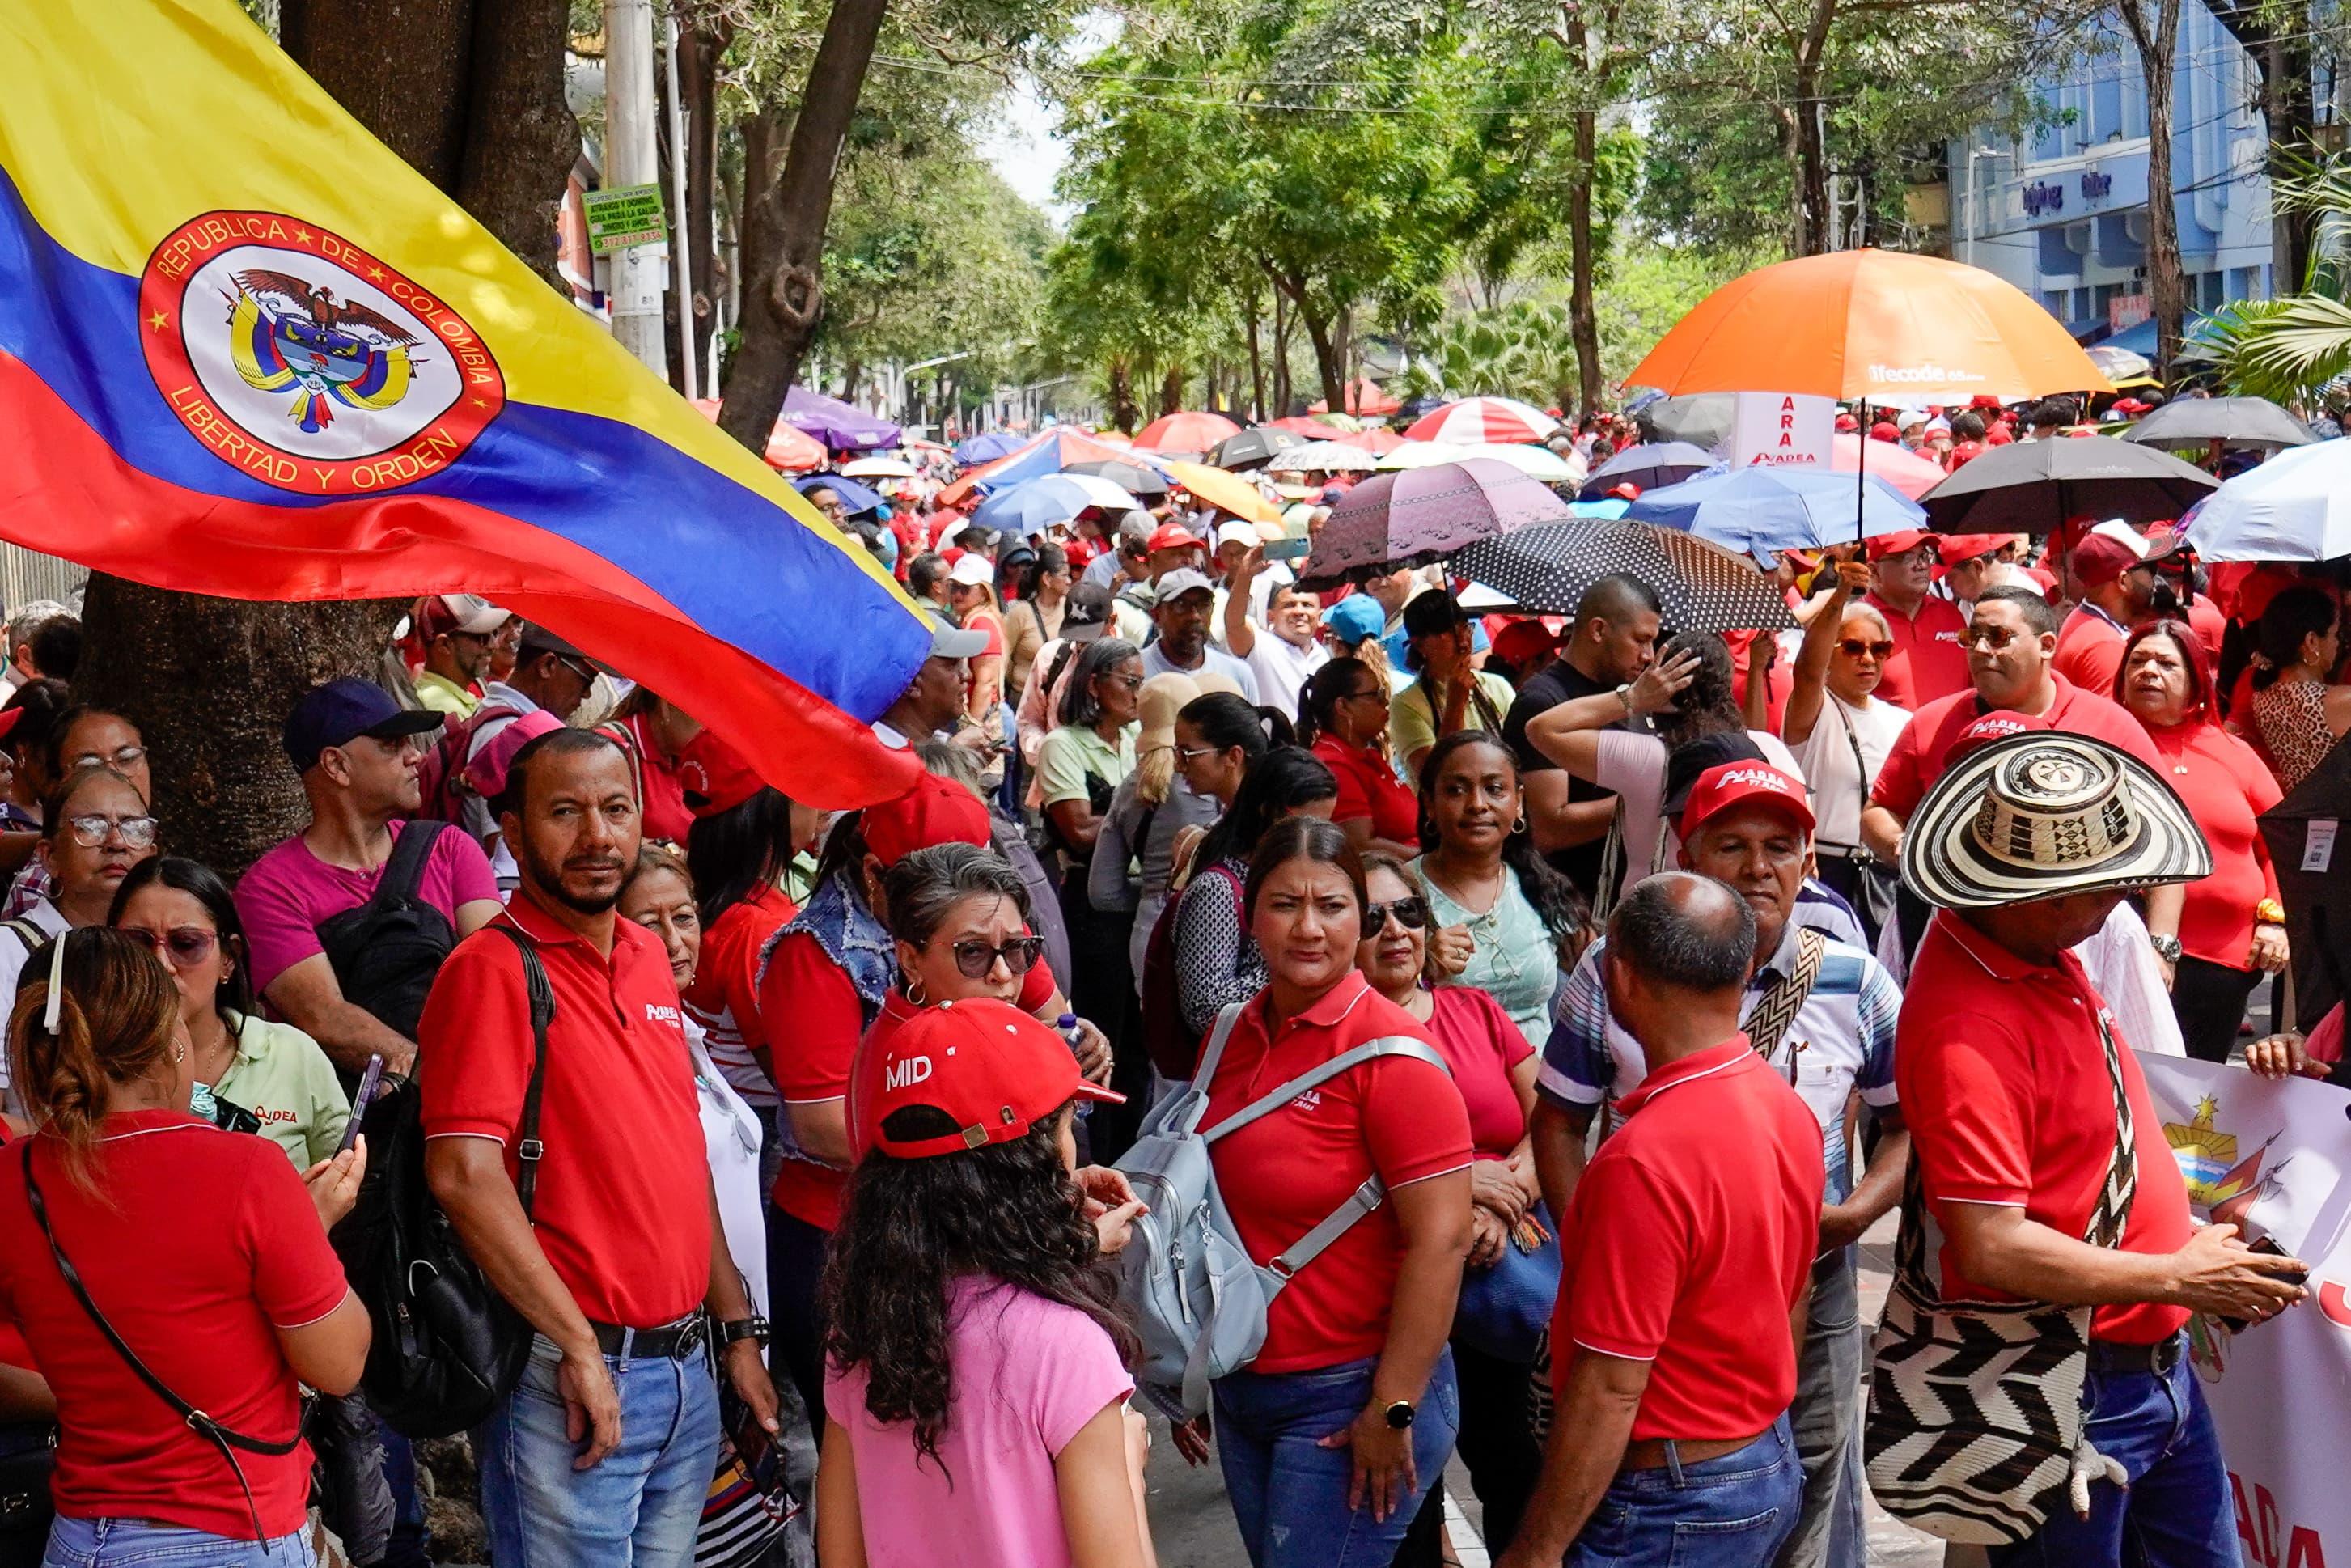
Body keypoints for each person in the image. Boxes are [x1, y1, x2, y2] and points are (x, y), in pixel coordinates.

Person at [1887, 729, 2307, 1567]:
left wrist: (2189, 1234)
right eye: (2087, 889)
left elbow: (2114, 1124)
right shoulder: (1966, 1023)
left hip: (2139, 1367)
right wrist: (2175, 1274)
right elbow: (1989, 1241)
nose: (2112, 900)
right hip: (2071, 1386)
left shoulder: (2035, 950)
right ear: (2019, 894)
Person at [420, 728, 777, 1567]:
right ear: (511, 834)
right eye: (564, 812)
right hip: (570, 1375)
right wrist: (577, 1348)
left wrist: (736, 1333)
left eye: (615, 809)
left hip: (685, 1365)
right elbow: (463, 1174)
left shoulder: (649, 954)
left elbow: (682, 1158)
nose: (596, 836)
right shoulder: (489, 969)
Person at [1534, 766, 1904, 1568]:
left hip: (1810, 1271)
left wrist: (1853, 1215)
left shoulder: (1854, 977)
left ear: (1809, 862)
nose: (1756, 866)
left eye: (1779, 847)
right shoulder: (1612, 964)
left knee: (1805, 1463)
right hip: (1653, 1277)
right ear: (1683, 853)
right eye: (1730, 845)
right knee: (1671, 1455)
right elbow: (1558, 1119)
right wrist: (1586, 1243)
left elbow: (1908, 1123)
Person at [0, 927, 370, 1566]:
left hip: (79, 1537)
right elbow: (339, 1363)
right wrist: (309, 1229)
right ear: (170, 1041)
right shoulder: (247, 1171)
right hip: (230, 1531)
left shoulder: (12, 1178)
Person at [1499, 876, 1823, 1568]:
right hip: (1761, 1456)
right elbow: (1794, 1296)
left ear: (1618, 975)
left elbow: (1612, 1384)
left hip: (1677, 1496)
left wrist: (1538, 1548)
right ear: (1743, 968)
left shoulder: (1641, 1162)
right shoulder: (1784, 1106)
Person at [756, 773, 1101, 1419]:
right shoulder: (816, 958)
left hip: (995, 1236)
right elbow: (829, 1127)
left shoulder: (991, 933)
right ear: (874, 879)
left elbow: (1057, 1027)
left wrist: (1075, 1050)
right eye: (968, 949)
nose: (1000, 971)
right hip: (855, 1237)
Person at [1195, 817, 1472, 1568]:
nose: (1309, 928)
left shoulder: (1395, 1059)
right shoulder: (1229, 1033)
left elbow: (1441, 1241)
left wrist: (1394, 1407)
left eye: (1334, 906)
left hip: (1350, 1398)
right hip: (1243, 1384)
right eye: (1285, 905)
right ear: (1250, 917)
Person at [818, 998, 1152, 1568]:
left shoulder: (864, 1333)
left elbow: (840, 1554)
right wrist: (1125, 1458)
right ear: (1034, 1162)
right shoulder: (1066, 1350)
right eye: (1067, 1126)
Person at [1354, 854, 1545, 1560]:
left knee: (1518, 1472)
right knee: (1408, 1486)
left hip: (1501, 1290)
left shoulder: (1476, 1011)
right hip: (1396, 1301)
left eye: (1408, 913)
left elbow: (1546, 1122)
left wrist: (1505, 1198)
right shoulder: (1340, 1041)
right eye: (1371, 918)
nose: (1394, 931)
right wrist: (1459, 1185)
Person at [1859, 587, 2185, 977]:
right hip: (1955, 941)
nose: (1980, 649)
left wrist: (2160, 944)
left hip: (2087, 946)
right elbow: (1878, 810)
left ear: (2047, 645)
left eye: (1998, 637)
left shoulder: (2109, 726)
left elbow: (2166, 833)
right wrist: (1907, 847)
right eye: (1971, 637)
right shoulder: (1931, 723)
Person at [235, 679, 498, 1077]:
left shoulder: (450, 848)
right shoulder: (269, 889)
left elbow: (496, 973)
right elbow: (324, 1018)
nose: (418, 758)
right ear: (337, 765)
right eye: (392, 745)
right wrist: (439, 1077)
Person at [2116, 621, 2290, 1061]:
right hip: (2127, 960)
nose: (2148, 671)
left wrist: (2275, 919)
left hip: (2224, 970)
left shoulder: (2232, 753)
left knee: (2192, 1109)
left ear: (2195, 679)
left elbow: (2282, 843)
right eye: (2137, 661)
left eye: (2166, 663)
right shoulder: (2103, 743)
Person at [1524, 634, 1804, 904]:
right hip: (1742, 910)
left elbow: (1541, 729)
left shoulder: (1648, 758)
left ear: (1664, 687)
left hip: (1651, 917)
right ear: (1726, 684)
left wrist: (1633, 698)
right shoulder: (1770, 751)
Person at [110, 857, 349, 1166]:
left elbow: (345, 1181)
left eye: (185, 943)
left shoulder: (292, 1054)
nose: (161, 965)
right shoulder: (91, 1061)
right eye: (137, 944)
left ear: (228, 959)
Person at [617, 845, 768, 1317]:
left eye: (683, 918)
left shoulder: (685, 1033)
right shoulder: (623, 1046)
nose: (675, 942)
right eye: (649, 924)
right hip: (686, 1324)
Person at [1038, 638, 1147, 1149]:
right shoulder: (1064, 745)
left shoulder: (1136, 743)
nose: (1138, 692)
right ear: (1095, 687)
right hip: (1090, 904)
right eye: (1129, 681)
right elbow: (1078, 830)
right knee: (1104, 1027)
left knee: (1138, 1033)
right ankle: (1097, 1146)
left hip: (1135, 898)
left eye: (1141, 681)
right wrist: (1139, 821)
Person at [680, 738, 812, 1155]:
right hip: (762, 1132)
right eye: (806, 789)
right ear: (772, 813)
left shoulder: (720, 904)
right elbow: (792, 1072)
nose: (821, 804)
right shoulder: (756, 928)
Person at [1408, 732, 1580, 1050]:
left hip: (1539, 1087)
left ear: (1519, 803)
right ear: (1430, 804)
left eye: (1494, 789)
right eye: (1456, 790)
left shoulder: (1542, 888)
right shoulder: (1400, 895)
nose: (1477, 804)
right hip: (1446, 1081)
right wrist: (1419, 968)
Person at [1168, 747, 1340, 1058]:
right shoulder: (1218, 890)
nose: (1312, 841)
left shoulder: (1284, 877)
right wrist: (1289, 966)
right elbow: (1204, 1009)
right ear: (1268, 812)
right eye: (1303, 826)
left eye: (1324, 828)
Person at [0, 768, 161, 1093]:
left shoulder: (165, 948)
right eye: (90, 827)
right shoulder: (8, 952)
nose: (116, 843)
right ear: (49, 856)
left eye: (135, 828)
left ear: (152, 853)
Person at [1501, 575, 1663, 899]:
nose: (1649, 655)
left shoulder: (1630, 693)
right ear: (1599, 630)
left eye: (1653, 642)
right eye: (1640, 640)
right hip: (1570, 903)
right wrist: (1650, 796)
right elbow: (1549, 828)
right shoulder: (1542, 701)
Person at [1782, 556, 1910, 940]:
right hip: (1828, 871)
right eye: (1853, 647)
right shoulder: (1814, 709)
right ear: (1831, 652)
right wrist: (1840, 594)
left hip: (1885, 875)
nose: (1868, 659)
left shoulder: (1902, 721)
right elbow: (1806, 671)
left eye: (1880, 648)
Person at [1094, 675, 1224, 983]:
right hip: (1212, 925)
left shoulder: (1128, 789)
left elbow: (1103, 891)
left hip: (1149, 931)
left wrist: (1152, 891)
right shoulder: (1212, 782)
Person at [1389, 593, 1518, 786]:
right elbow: (1432, 777)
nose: (1464, 641)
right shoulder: (1406, 705)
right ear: (1419, 644)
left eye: (1466, 627)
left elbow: (1520, 755)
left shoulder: (1497, 686)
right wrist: (1455, 704)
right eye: (1449, 633)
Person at [1298, 659, 1420, 859]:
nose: (1385, 702)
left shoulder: (1366, 755)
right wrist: (1430, 862)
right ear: (1343, 707)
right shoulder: (1333, 765)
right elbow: (1361, 845)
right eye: (1375, 695)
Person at [2247, 586, 2351, 792]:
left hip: (2300, 814)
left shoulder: (2262, 697)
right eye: (2334, 634)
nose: (2338, 643)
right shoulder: (2337, 702)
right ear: (2311, 641)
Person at [1862, 531, 1970, 711]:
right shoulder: (1858, 622)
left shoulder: (1951, 614)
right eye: (1906, 558)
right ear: (1874, 571)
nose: (1921, 566)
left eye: (1924, 556)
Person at [2053, 523, 2165, 697]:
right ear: (2123, 581)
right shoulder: (2105, 645)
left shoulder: (2084, 619)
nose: (2154, 579)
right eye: (2150, 568)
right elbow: (2106, 723)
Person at [1222, 546, 1329, 718]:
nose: (1299, 611)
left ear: (1320, 617)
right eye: (1289, 605)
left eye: (1307, 605)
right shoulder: (1260, 646)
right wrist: (1245, 574)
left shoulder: (1324, 657)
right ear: (1271, 616)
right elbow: (1234, 624)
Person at [595, 684, 706, 847]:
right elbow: (601, 839)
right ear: (666, 706)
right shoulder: (609, 750)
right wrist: (671, 853)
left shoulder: (687, 757)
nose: (713, 732)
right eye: (707, 720)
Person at [875, 617, 993, 752]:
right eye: (952, 664)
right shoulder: (880, 756)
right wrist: (950, 759)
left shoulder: (933, 742)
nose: (967, 675)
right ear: (912, 683)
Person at [1140, 569, 1260, 700]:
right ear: (1156, 616)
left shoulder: (1238, 674)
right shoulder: (1136, 675)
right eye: (1181, 605)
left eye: (1203, 605)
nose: (1194, 616)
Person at [409, 593, 506, 718]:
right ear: (444, 645)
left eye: (495, 633)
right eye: (482, 637)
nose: (494, 645)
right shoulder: (441, 708)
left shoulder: (452, 698)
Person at [947, 554, 1011, 741]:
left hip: (984, 719)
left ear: (983, 592)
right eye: (954, 587)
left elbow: (986, 683)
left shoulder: (982, 622)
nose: (957, 595)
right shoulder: (972, 618)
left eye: (965, 589)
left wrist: (971, 729)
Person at [1006, 542, 1074, 700]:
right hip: (1024, 697)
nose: (1069, 581)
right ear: (1047, 579)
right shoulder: (1021, 613)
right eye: (1064, 575)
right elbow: (1004, 658)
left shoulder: (1069, 608)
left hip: (1057, 697)